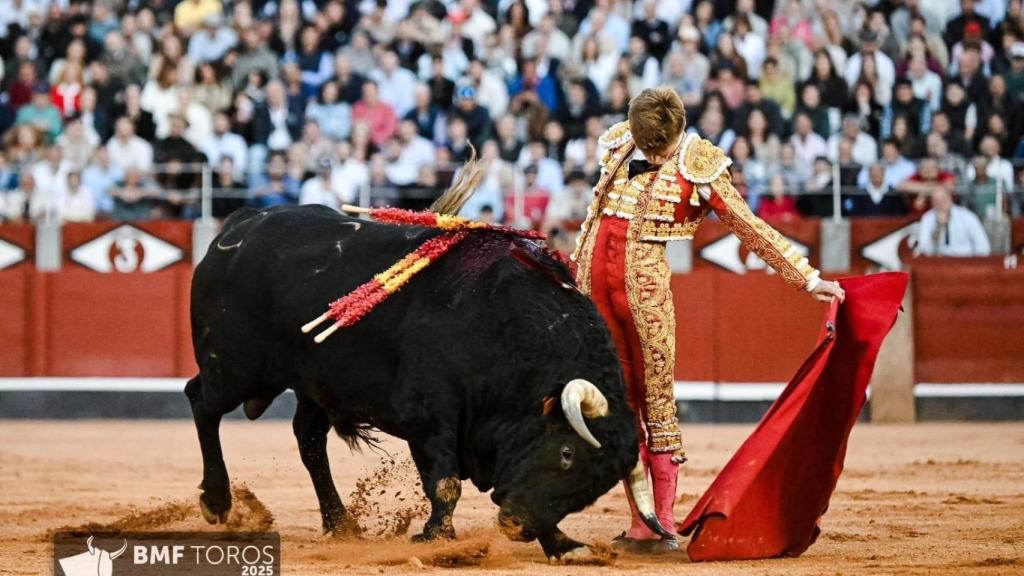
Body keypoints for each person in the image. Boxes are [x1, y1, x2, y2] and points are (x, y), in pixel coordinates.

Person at [571, 87, 844, 553]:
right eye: (645, 142)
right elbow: (594, 218)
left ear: (676, 132)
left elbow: (748, 225)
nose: (651, 152)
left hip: (644, 288)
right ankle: (642, 521)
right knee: (618, 401)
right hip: (595, 285)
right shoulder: (620, 145)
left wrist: (805, 277)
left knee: (655, 399)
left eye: (657, 145)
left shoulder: (699, 164)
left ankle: (662, 519)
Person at [916, 187, 991, 257]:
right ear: (932, 203)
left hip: (965, 260)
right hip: (939, 262)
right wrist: (939, 227)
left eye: (943, 199)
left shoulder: (967, 216)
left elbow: (983, 247)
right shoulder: (928, 218)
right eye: (936, 201)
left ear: (950, 198)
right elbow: (925, 249)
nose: (940, 203)